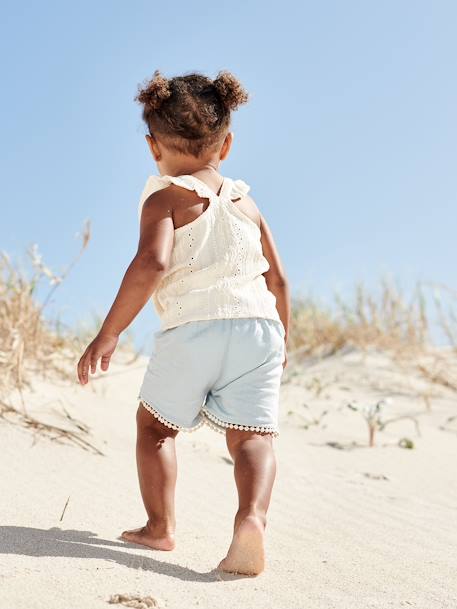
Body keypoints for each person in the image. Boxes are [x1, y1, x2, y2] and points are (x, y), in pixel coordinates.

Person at [77, 69, 290, 576]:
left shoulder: (164, 198)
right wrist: (283, 341)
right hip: (260, 329)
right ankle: (251, 519)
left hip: (194, 328)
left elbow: (150, 264)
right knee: (253, 438)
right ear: (228, 143)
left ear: (154, 147)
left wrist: (109, 332)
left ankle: (160, 527)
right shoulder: (248, 204)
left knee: (155, 428)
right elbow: (278, 280)